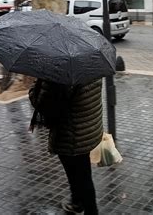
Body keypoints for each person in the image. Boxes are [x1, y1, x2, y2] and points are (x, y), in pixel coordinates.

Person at [29, 79, 103, 215]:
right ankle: (76, 202)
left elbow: (44, 105)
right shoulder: (91, 65)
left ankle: (90, 210)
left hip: (71, 134)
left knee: (80, 175)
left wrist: (34, 86)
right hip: (88, 128)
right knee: (81, 171)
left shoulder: (58, 76)